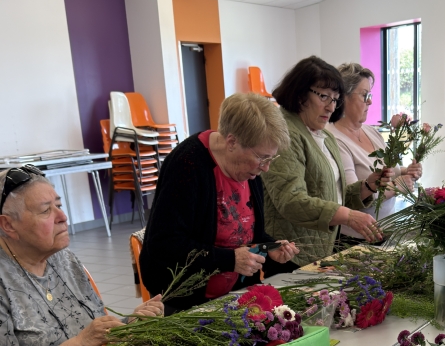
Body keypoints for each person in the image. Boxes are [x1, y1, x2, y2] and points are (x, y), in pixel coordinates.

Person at [0, 166, 163, 346]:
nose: (63, 217)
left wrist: (128, 323)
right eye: (46, 210)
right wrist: (78, 344)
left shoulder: (64, 259)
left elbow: (95, 330)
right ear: (8, 225)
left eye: (59, 205)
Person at [140, 93, 298, 312]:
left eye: (270, 158)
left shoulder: (248, 170)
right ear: (232, 142)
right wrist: (229, 260)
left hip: (234, 293)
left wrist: (269, 248)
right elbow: (165, 244)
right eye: (262, 157)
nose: (266, 167)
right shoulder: (187, 164)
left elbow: (247, 232)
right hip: (185, 299)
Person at [262, 56, 383, 271]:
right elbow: (291, 201)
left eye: (335, 99)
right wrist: (348, 216)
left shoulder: (323, 135)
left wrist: (368, 186)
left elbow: (332, 193)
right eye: (324, 96)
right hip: (289, 253)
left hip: (319, 248)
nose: (331, 106)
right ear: (300, 93)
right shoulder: (285, 133)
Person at [331, 62, 422, 244]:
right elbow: (351, 197)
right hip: (356, 238)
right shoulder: (334, 139)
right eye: (364, 95)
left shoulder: (371, 131)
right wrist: (397, 186)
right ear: (344, 97)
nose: (370, 101)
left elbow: (388, 171)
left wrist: (407, 171)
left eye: (370, 95)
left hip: (386, 230)